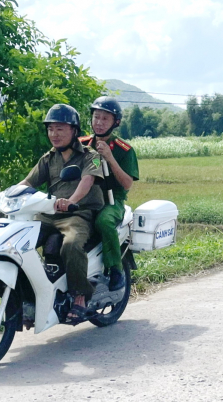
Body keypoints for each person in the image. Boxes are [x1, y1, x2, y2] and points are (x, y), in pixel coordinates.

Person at [20, 104, 105, 320]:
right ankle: (25, 294)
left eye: (60, 129)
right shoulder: (48, 158)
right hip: (49, 214)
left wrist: (71, 201)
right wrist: (3, 196)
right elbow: (28, 182)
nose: (54, 134)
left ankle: (80, 295)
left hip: (78, 213)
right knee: (19, 241)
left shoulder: (91, 155)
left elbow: (87, 181)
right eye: (50, 129)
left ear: (74, 130)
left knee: (72, 244)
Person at [79, 96, 139, 292]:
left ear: (116, 122)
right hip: (85, 198)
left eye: (105, 118)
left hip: (112, 200)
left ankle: (115, 270)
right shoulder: (82, 143)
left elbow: (127, 183)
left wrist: (110, 158)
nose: (99, 122)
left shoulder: (124, 150)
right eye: (96, 117)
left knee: (104, 221)